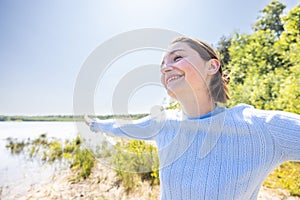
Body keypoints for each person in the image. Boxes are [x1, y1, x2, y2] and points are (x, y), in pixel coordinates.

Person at [84, 36, 300, 200]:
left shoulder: (259, 127)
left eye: (177, 57)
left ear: (212, 66)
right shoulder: (164, 123)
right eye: (162, 65)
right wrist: (95, 124)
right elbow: (125, 127)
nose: (166, 68)